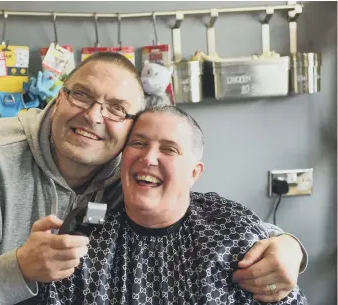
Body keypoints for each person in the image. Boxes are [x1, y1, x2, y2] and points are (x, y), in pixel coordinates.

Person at [0, 52, 306, 305]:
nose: (93, 116)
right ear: (58, 97)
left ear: (126, 129)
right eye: (82, 95)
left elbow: (219, 219)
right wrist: (20, 268)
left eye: (115, 109)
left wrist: (291, 248)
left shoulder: (120, 167)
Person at [32, 105, 307, 305]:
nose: (149, 158)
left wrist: (291, 246)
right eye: (138, 143)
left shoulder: (232, 230)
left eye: (169, 149)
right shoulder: (85, 238)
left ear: (194, 173)